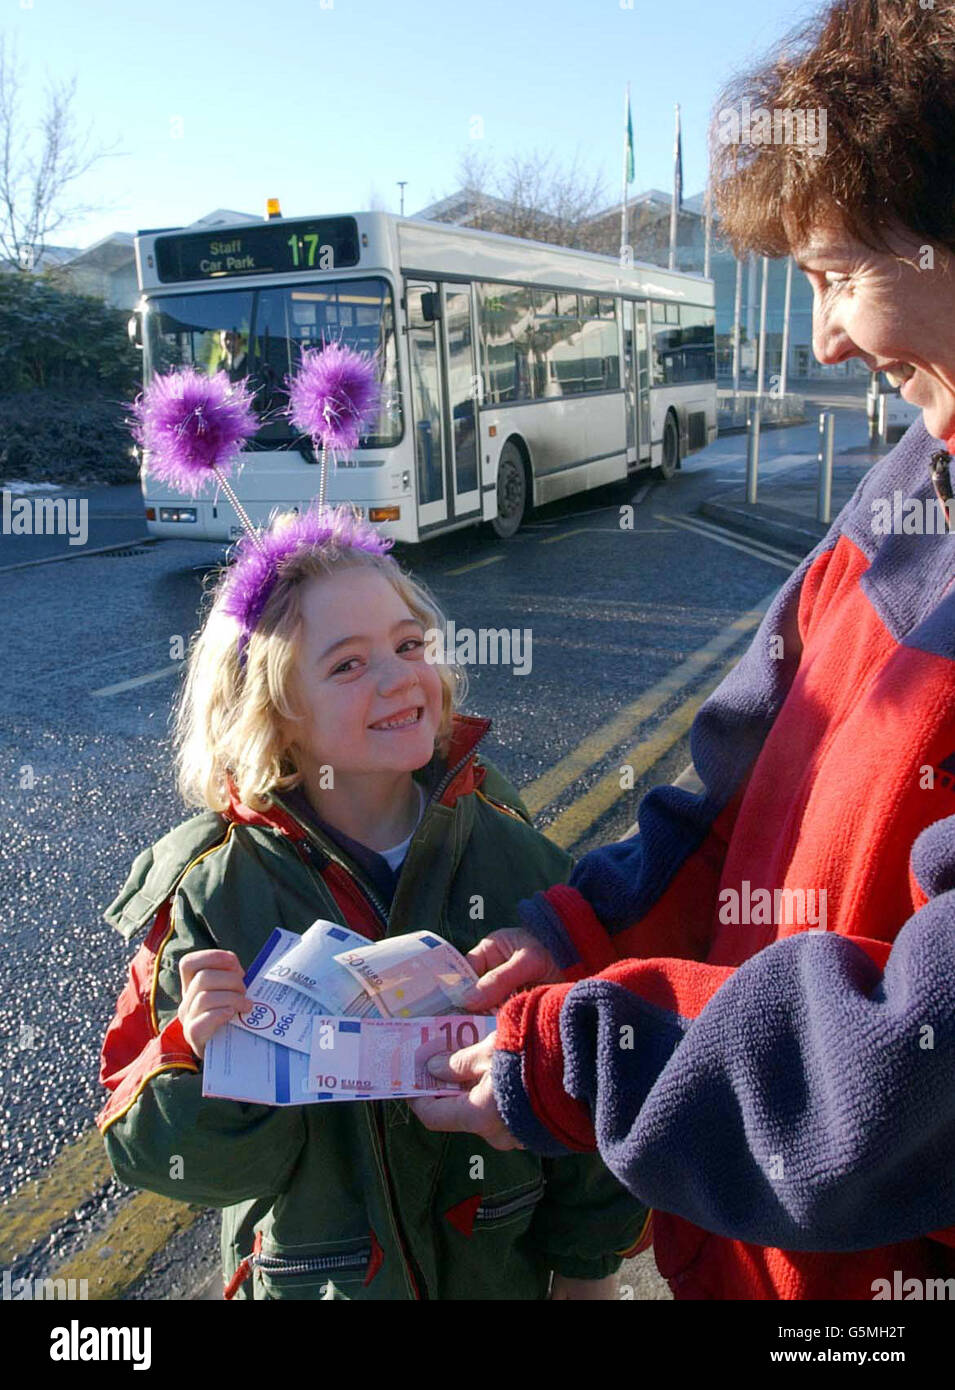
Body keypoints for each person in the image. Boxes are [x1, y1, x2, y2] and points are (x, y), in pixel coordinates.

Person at [411, 0, 955, 1301]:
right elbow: (732, 781)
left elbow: (918, 1054)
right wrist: (580, 930)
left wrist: (584, 1058)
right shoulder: (912, 478)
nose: (822, 338)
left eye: (837, 273)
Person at [95, 506, 648, 1300]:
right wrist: (199, 1055)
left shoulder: (512, 853)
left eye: (408, 645)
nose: (397, 679)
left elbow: (579, 1078)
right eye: (348, 664)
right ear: (272, 709)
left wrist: (586, 1274)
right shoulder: (215, 894)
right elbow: (182, 1165)